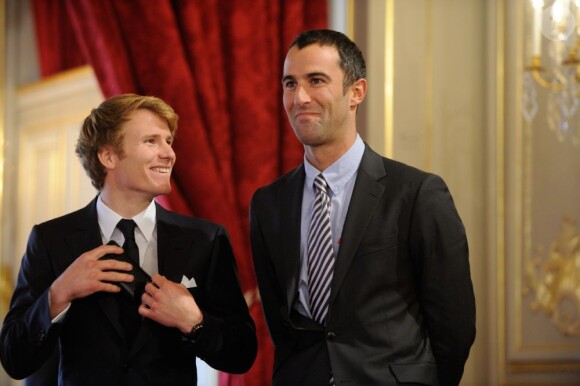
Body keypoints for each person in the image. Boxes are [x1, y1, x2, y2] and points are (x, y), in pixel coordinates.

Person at [250, 29, 476, 386]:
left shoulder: (417, 194)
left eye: (316, 80)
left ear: (356, 92)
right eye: (290, 83)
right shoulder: (268, 203)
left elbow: (454, 325)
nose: (300, 97)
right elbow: (283, 326)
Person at [0, 94, 257, 385]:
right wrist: (59, 294)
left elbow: (242, 353)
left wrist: (194, 321)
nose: (169, 153)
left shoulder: (205, 239)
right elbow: (13, 358)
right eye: (151, 141)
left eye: (168, 141)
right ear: (108, 156)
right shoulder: (51, 240)